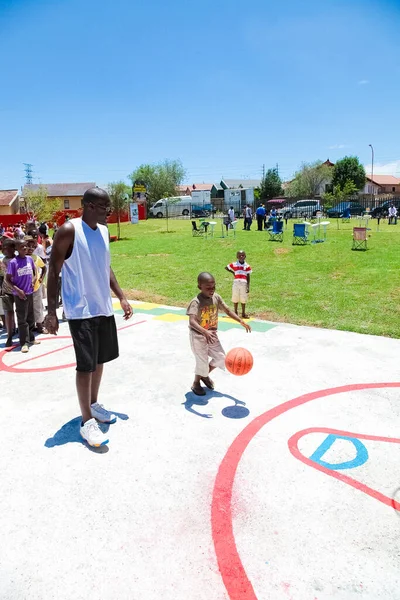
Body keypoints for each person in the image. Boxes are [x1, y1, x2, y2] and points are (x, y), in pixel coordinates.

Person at [44, 186, 133, 448]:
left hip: (102, 307)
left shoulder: (104, 231)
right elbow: (53, 271)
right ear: (90, 206)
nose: (109, 212)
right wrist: (51, 311)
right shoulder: (69, 230)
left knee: (99, 360)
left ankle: (94, 405)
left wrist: (121, 296)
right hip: (80, 310)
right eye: (105, 207)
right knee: (85, 365)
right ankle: (86, 422)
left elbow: (105, 266)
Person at [186, 272, 251, 396]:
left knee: (221, 358)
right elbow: (192, 321)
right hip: (198, 336)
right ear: (200, 287)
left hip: (212, 334)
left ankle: (204, 376)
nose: (211, 290)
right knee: (202, 361)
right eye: (208, 288)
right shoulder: (196, 302)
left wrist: (240, 320)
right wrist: (204, 331)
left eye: (213, 287)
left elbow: (227, 310)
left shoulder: (216, 297)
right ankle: (196, 383)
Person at [6, 239, 39, 353]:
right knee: (22, 319)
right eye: (22, 247)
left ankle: (31, 338)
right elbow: (8, 279)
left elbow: (34, 272)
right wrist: (17, 290)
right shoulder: (13, 262)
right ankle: (23, 342)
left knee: (31, 317)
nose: (25, 248)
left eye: (25, 246)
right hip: (20, 295)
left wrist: (34, 280)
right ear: (17, 249)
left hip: (29, 292)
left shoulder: (29, 259)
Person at [26, 236, 47, 333]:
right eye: (27, 246)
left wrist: (41, 278)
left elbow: (44, 268)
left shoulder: (36, 258)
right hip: (24, 288)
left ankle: (40, 324)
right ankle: (30, 326)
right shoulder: (20, 259)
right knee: (27, 308)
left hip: (35, 287)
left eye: (32, 247)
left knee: (37, 306)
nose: (30, 248)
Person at [225, 250, 252, 319]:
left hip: (244, 283)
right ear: (237, 256)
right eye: (239, 255)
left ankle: (243, 313)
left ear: (245, 256)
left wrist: (248, 286)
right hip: (236, 282)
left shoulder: (247, 266)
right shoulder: (234, 264)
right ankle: (235, 312)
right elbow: (226, 267)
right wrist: (233, 272)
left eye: (243, 255)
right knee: (235, 296)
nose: (241, 257)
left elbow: (248, 276)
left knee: (243, 297)